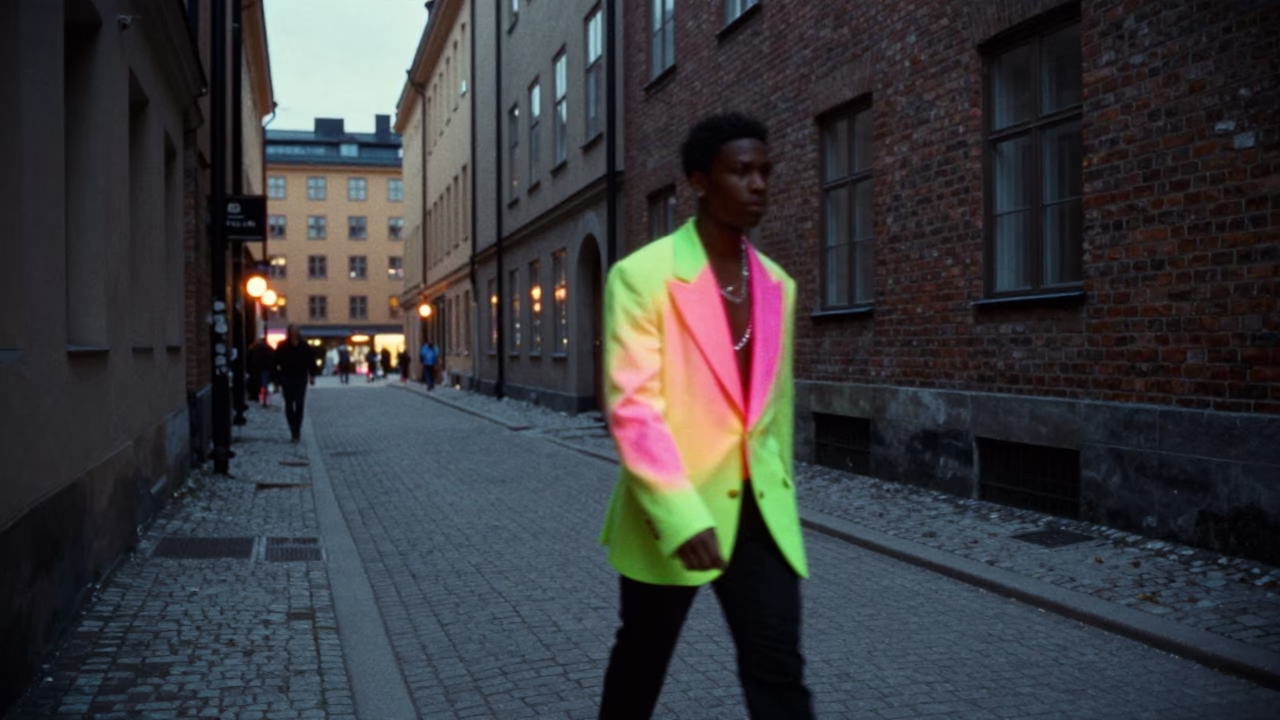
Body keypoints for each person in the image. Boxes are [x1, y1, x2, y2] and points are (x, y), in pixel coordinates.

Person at [597, 113, 813, 720]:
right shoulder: (643, 276)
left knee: (779, 668)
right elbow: (633, 408)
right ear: (699, 181)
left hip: (758, 513)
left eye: (766, 171)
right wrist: (680, 514)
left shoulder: (777, 285)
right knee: (641, 662)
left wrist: (781, 489)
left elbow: (773, 413)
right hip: (673, 508)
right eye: (741, 171)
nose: (759, 184)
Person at [272, 324, 317, 443]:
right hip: (286, 378)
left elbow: (311, 361)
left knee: (300, 404)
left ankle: (297, 430)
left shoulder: (304, 346)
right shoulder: (282, 346)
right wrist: (276, 379)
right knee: (289, 404)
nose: (294, 333)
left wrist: (312, 375)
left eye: (296, 331)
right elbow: (275, 362)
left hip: (300, 378)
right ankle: (292, 428)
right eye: (293, 331)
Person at [247, 337, 274, 407]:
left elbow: (251, 360)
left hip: (258, 369)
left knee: (259, 384)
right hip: (266, 369)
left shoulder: (255, 349)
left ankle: (259, 398)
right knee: (265, 385)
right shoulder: (269, 349)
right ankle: (265, 400)